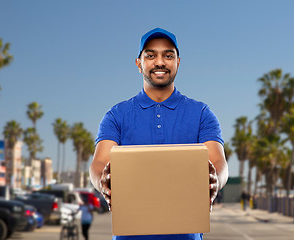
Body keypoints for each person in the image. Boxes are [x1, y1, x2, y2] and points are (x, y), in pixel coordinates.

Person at [89, 27, 229, 240]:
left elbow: (219, 162)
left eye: (168, 55)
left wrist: (216, 180)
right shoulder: (117, 115)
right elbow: (99, 163)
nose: (160, 62)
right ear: (139, 64)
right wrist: (102, 181)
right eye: (151, 55)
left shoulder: (201, 113)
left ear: (178, 62)